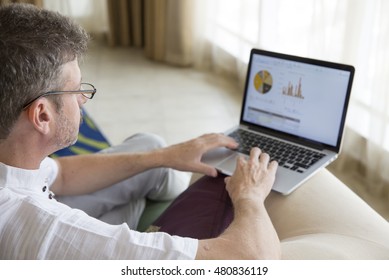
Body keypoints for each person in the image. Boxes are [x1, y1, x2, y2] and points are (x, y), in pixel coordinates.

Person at [0, 3, 280, 259]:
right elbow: (253, 260)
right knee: (150, 183)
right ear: (42, 115)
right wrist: (249, 196)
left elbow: (60, 175)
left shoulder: (14, 160)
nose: (83, 100)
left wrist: (164, 156)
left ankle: (159, 181)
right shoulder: (47, 228)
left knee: (150, 146)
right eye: (77, 89)